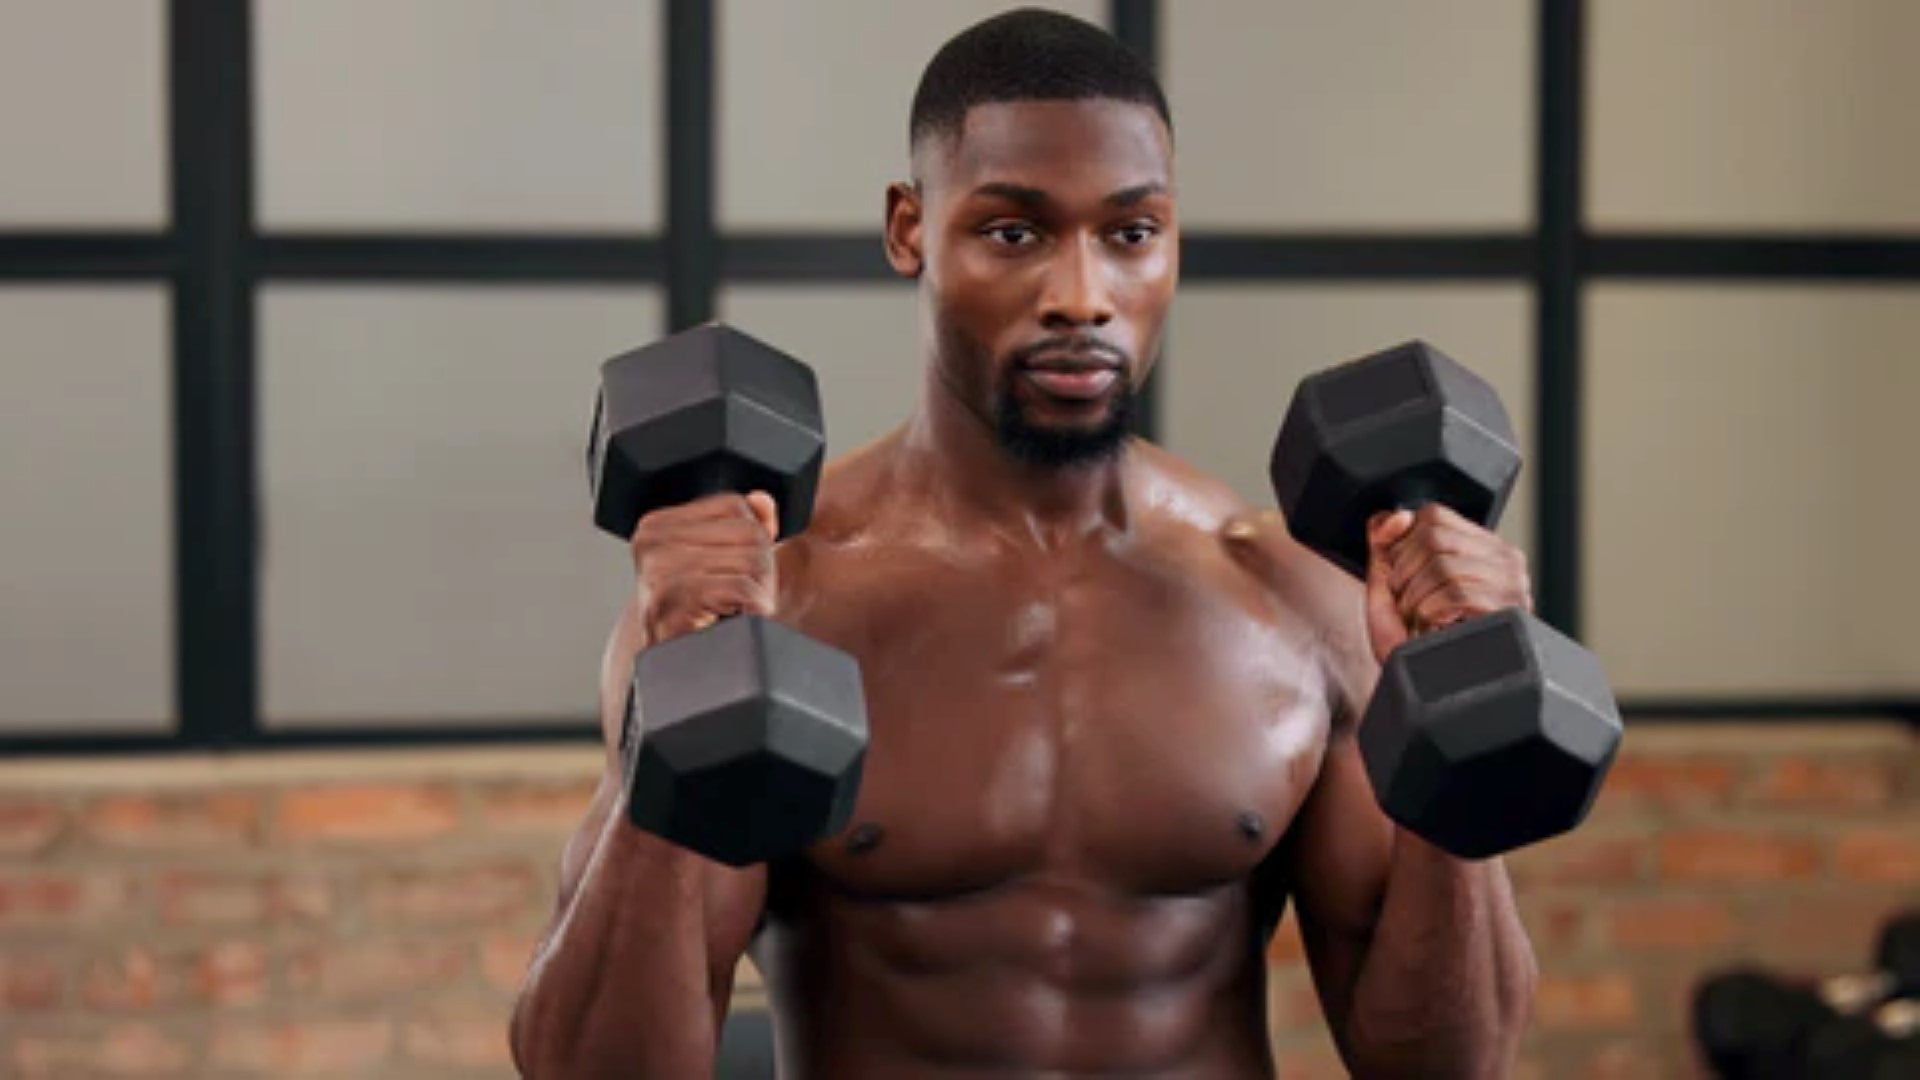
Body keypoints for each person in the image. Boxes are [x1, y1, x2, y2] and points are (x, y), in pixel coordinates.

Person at [511, 8, 1538, 1077]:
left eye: (1130, 234)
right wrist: (678, 701)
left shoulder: (1299, 601)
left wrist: (1451, 708)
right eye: (1015, 233)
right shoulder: (774, 602)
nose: (1083, 296)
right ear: (911, 228)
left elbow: (1443, 1069)